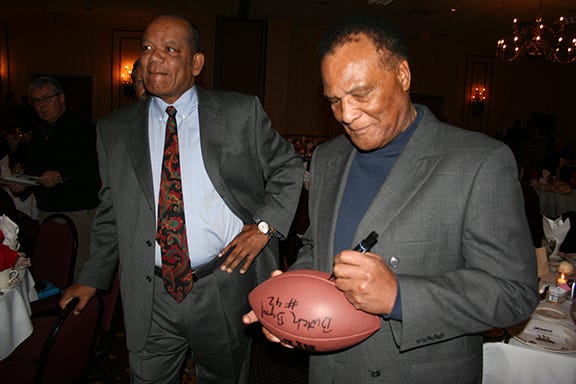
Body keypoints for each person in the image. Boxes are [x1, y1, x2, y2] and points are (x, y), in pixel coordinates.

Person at [244, 14, 539, 384]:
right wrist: (290, 300)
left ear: (402, 75)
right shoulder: (328, 158)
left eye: (361, 94)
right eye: (334, 101)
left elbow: (514, 293)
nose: (347, 116)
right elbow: (317, 248)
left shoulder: (480, 161)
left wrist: (400, 296)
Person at [60, 12, 304, 384]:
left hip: (222, 285)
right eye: (147, 48)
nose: (153, 58)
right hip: (149, 292)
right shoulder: (114, 131)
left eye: (170, 49)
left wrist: (265, 227)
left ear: (196, 63)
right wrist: (90, 278)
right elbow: (112, 211)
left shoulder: (240, 113)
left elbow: (288, 167)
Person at [11, 76, 100, 279]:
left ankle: (80, 311)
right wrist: (22, 185)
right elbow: (33, 171)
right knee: (53, 270)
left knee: (78, 272)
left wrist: (62, 177)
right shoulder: (39, 132)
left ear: (61, 98)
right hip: (46, 211)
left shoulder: (83, 128)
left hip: (78, 211)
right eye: (36, 101)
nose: (41, 105)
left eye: (46, 98)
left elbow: (94, 170)